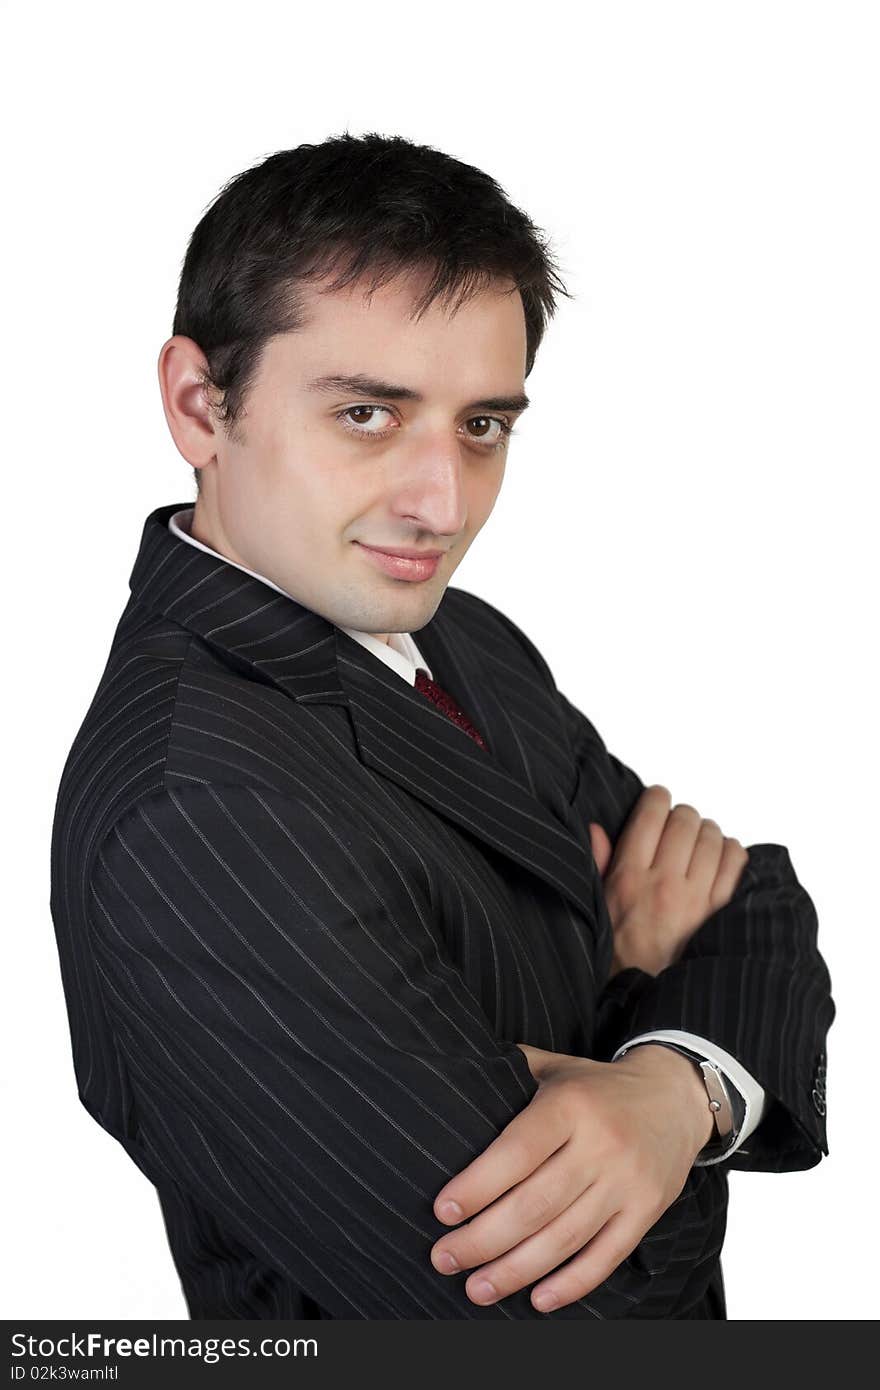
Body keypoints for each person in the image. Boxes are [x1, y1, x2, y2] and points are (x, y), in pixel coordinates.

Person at [49, 132, 834, 1320]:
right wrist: (630, 986)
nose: (443, 501)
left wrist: (674, 1096)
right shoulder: (197, 805)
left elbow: (747, 900)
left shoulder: (459, 639)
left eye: (483, 424)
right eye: (368, 412)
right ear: (201, 405)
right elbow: (566, 1305)